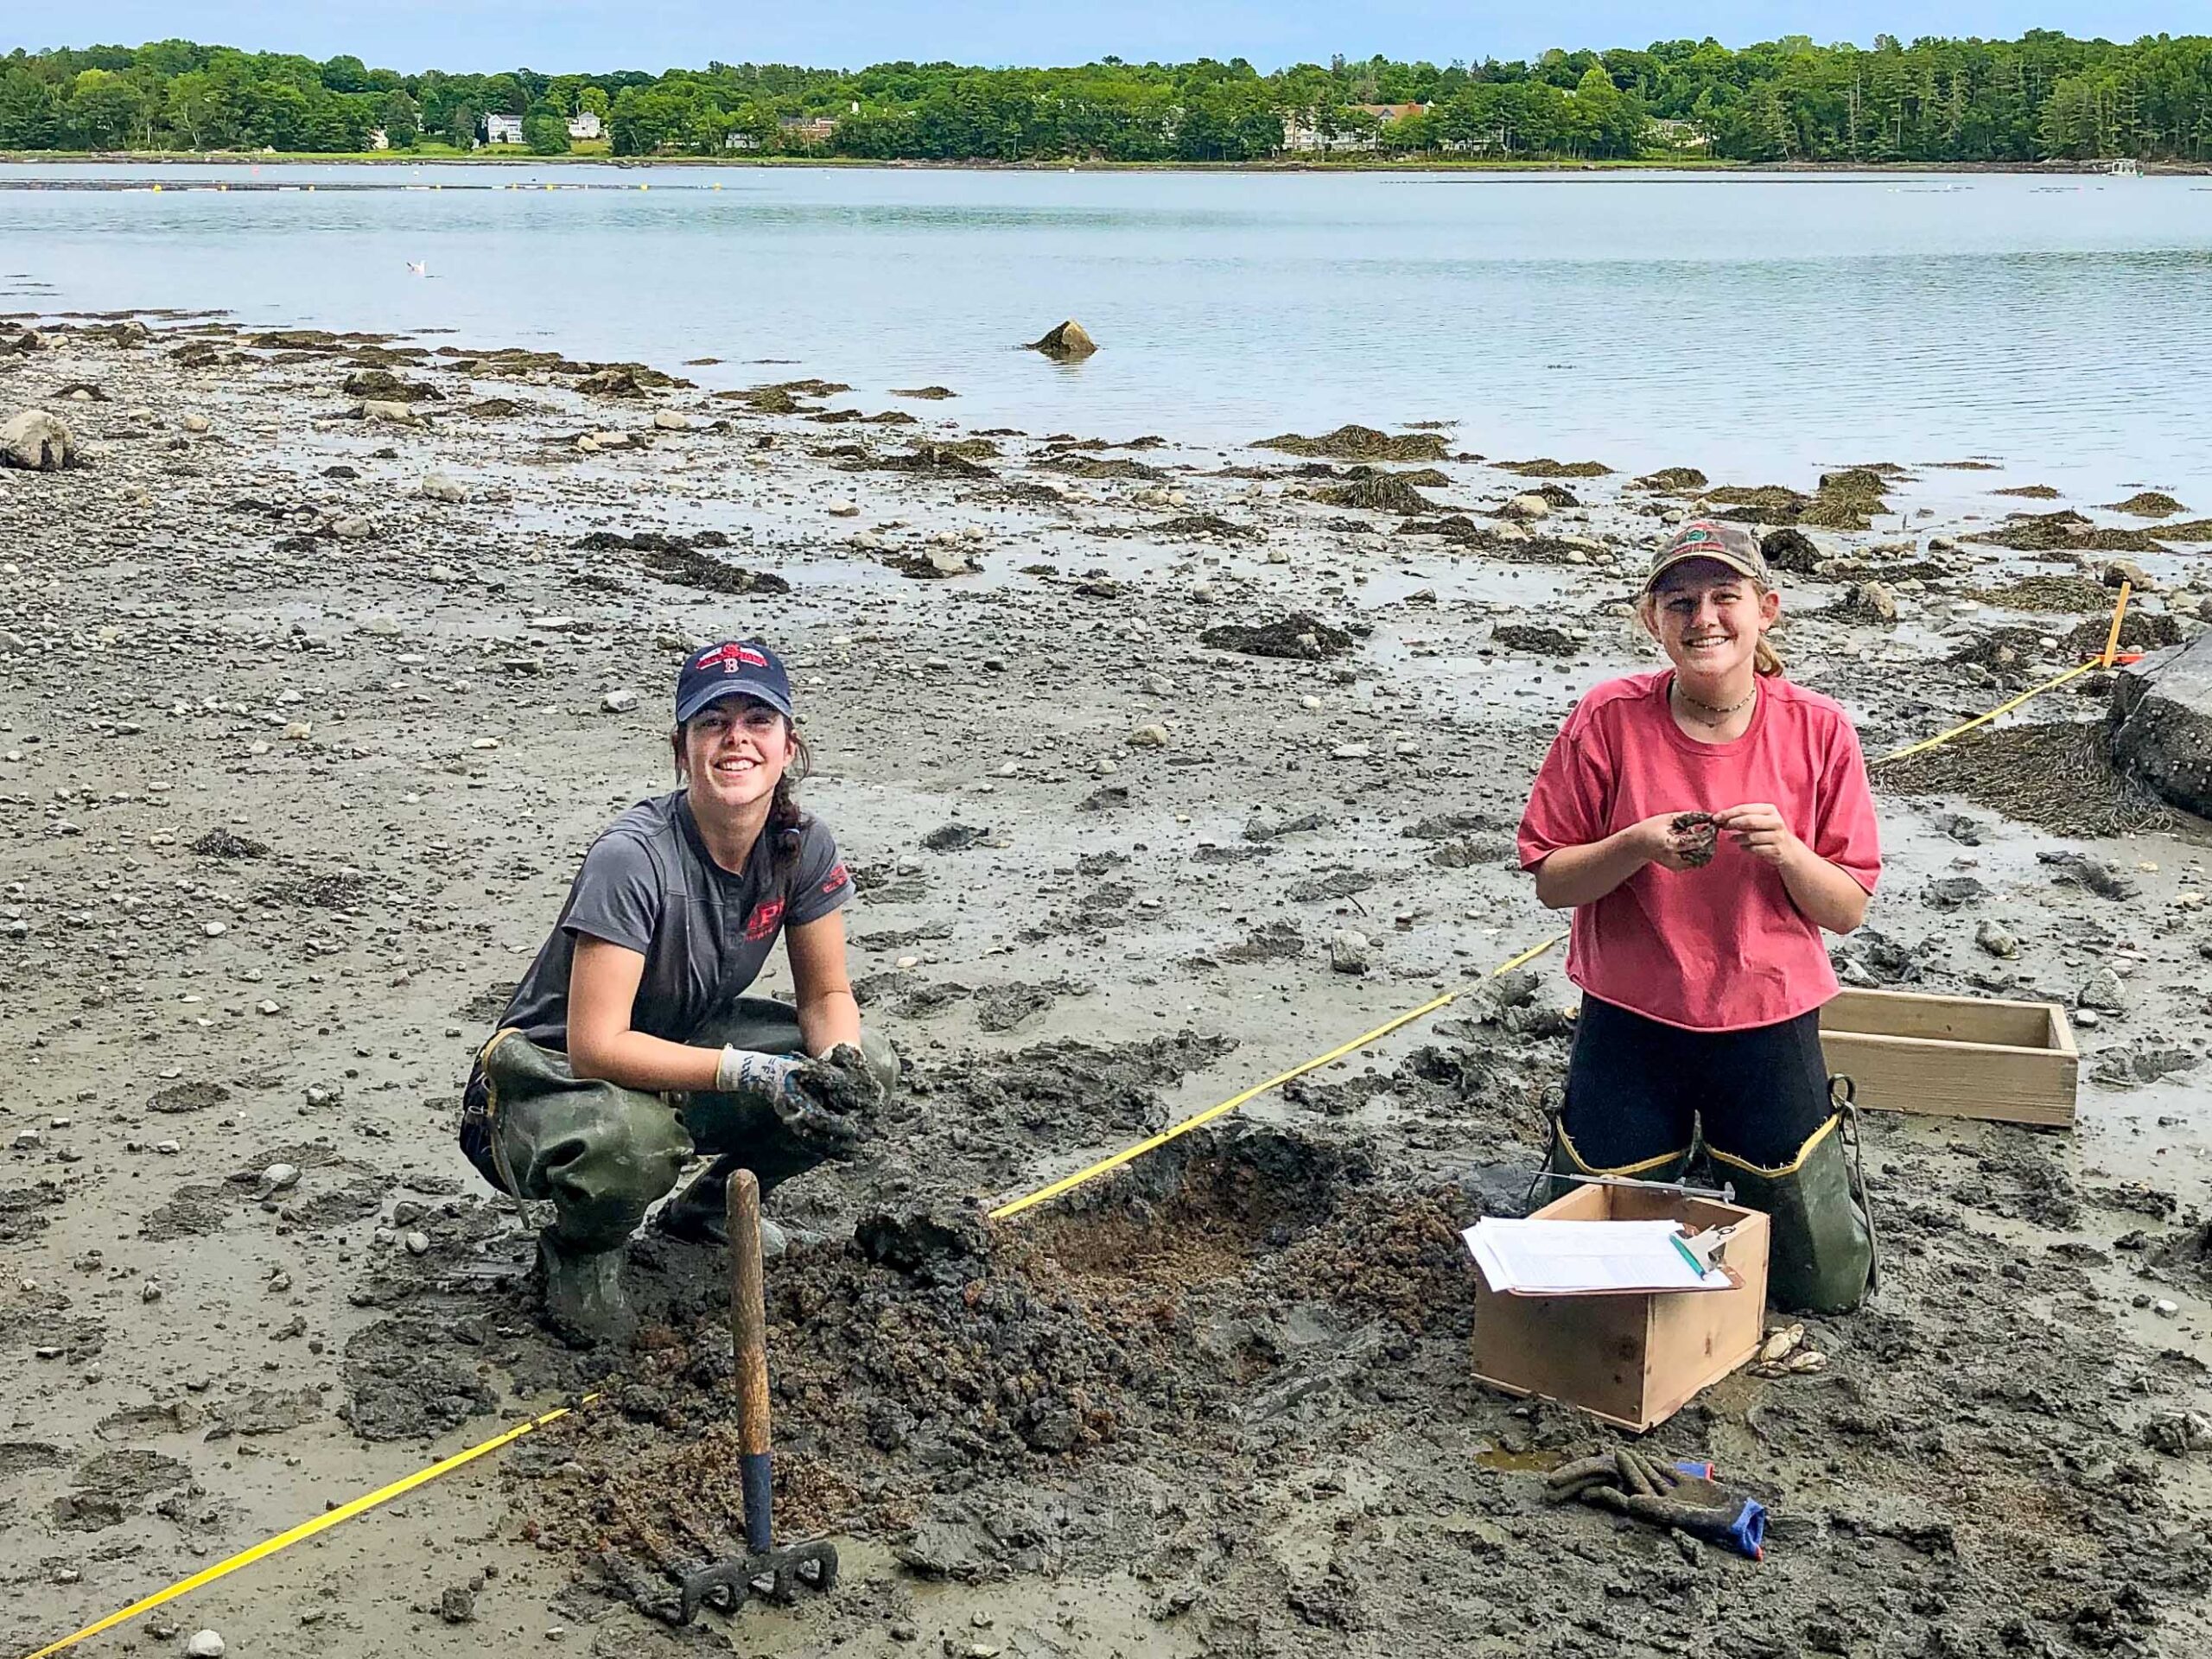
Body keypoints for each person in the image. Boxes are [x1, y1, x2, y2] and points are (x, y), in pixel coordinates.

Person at [459, 639, 898, 1341]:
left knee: (864, 1066)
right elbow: (596, 1047)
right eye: (712, 722)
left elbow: (824, 999)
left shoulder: (801, 845)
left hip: (673, 1043)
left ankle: (710, 1213)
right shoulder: (632, 859)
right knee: (631, 1140)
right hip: (545, 1082)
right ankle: (581, 1252)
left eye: (758, 720)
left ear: (789, 747)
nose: (736, 740)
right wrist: (755, 1073)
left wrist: (834, 1064)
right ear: (682, 749)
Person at [1516, 519, 1878, 1313]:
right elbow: (1553, 879)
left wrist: (1787, 851)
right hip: (1631, 1012)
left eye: (1725, 597)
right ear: (1653, 621)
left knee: (1821, 1285)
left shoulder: (1819, 728)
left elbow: (1847, 907)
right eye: (1679, 602)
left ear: (1767, 610)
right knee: (1599, 1267)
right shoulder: (1607, 716)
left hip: (1768, 1013)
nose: (1703, 617)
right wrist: (1639, 843)